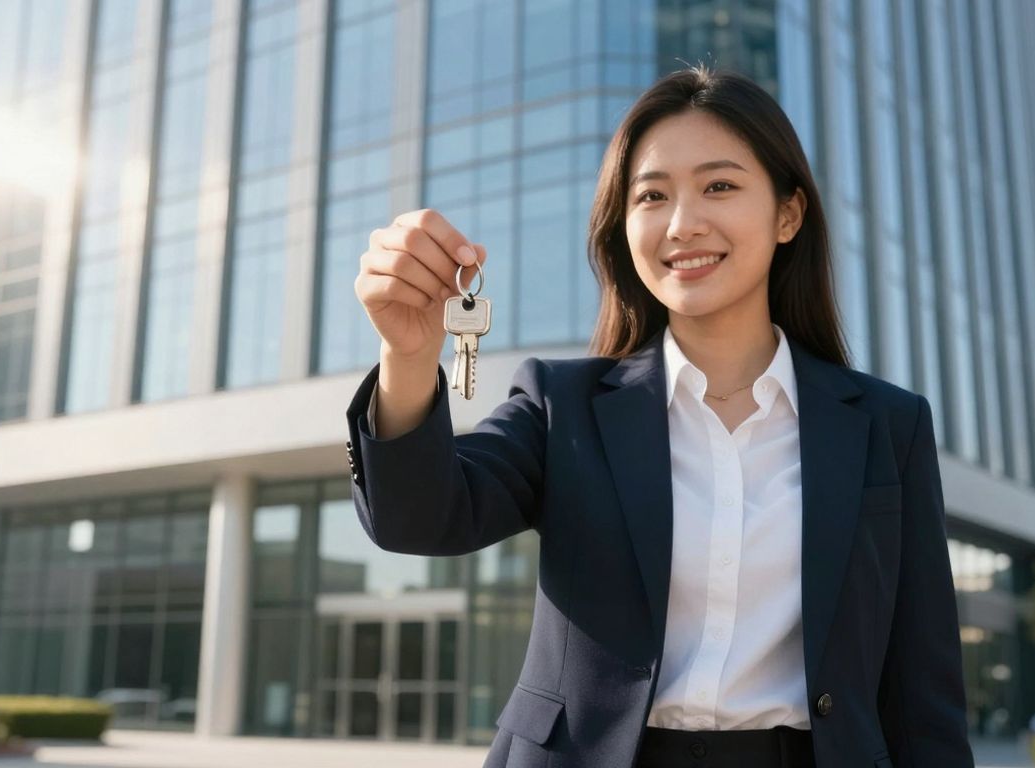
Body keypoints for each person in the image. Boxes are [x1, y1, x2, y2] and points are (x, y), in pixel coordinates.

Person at [344, 66, 973, 768]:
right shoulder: (564, 405)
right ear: (624, 223)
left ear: (789, 214)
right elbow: (418, 518)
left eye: (720, 186)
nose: (682, 223)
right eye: (652, 195)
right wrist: (408, 357)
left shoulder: (888, 427)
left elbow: (924, 695)